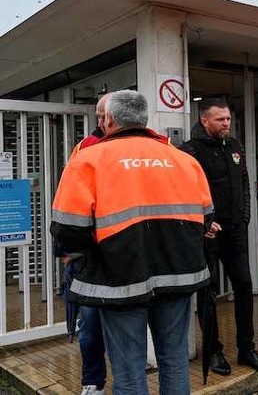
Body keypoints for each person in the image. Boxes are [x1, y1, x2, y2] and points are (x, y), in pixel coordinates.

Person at [50, 90, 212, 395]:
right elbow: (205, 217)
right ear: (143, 119)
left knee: (128, 371)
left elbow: (67, 230)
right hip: (179, 275)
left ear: (109, 119)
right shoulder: (184, 160)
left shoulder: (88, 159)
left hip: (118, 279)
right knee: (175, 363)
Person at [179, 98, 258, 373]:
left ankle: (247, 349)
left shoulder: (234, 146)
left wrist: (244, 218)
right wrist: (203, 223)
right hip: (206, 234)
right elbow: (185, 194)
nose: (226, 124)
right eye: (220, 120)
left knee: (244, 286)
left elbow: (244, 182)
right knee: (207, 294)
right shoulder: (190, 151)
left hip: (234, 232)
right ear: (204, 120)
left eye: (228, 119)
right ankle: (213, 351)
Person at [58, 93, 111, 395]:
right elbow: (69, 199)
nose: (103, 121)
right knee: (89, 326)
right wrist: (67, 250)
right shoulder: (85, 148)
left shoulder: (129, 146)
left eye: (107, 115)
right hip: (88, 254)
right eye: (99, 116)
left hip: (121, 250)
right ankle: (93, 382)